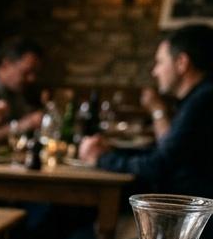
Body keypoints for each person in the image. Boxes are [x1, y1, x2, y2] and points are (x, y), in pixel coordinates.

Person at [79, 24, 213, 199]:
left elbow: (158, 166)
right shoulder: (199, 97)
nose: (154, 71)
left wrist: (100, 159)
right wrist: (111, 152)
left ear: (181, 63)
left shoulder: (203, 101)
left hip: (188, 214)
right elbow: (165, 153)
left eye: (160, 62)